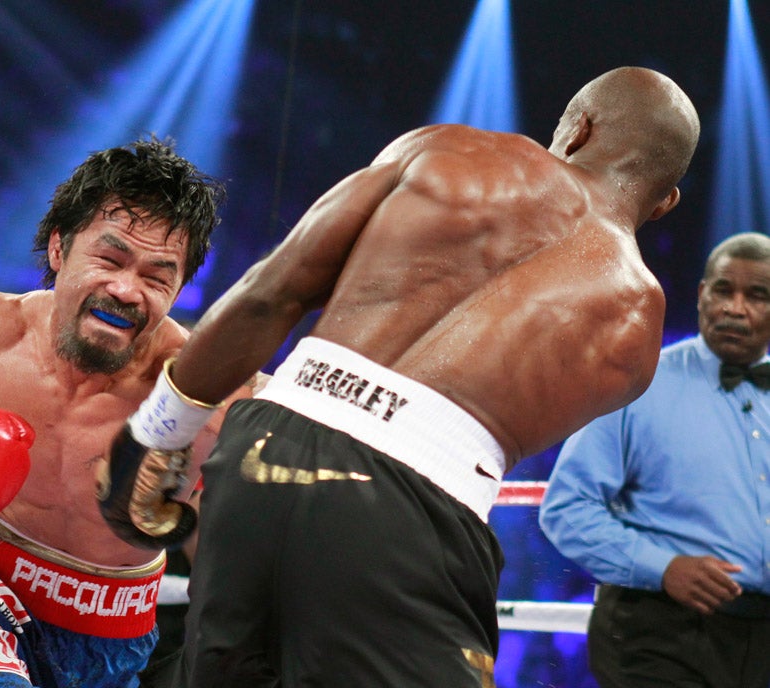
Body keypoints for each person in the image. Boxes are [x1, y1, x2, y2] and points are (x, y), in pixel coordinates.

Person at [93, 66, 700, 688]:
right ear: (666, 200)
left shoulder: (446, 150)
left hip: (260, 455)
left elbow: (267, 295)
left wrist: (155, 433)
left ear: (578, 129)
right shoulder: (636, 326)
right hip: (413, 511)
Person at [0, 138, 253, 687]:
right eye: (109, 259)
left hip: (112, 630)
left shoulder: (203, 392)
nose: (127, 290)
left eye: (157, 277)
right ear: (59, 249)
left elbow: (229, 538)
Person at [539, 232, 770, 688]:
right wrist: (662, 567)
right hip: (658, 629)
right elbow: (565, 508)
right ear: (703, 295)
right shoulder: (640, 384)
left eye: (757, 296)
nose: (735, 308)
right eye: (724, 290)